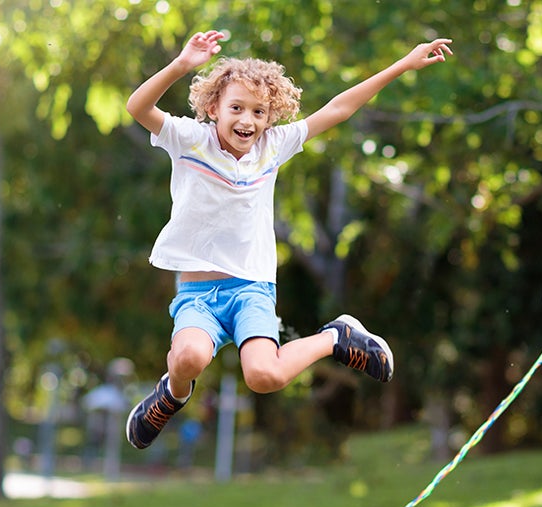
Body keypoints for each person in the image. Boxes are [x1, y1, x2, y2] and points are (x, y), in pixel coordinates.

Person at [124, 29, 453, 450]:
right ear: (214, 108)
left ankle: (336, 337)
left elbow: (339, 108)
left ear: (271, 117)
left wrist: (403, 64)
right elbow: (137, 107)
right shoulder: (190, 139)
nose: (247, 121)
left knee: (265, 376)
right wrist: (182, 65)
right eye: (237, 108)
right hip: (198, 292)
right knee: (190, 359)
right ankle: (173, 393)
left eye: (259, 112)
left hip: (252, 288)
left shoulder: (273, 147)